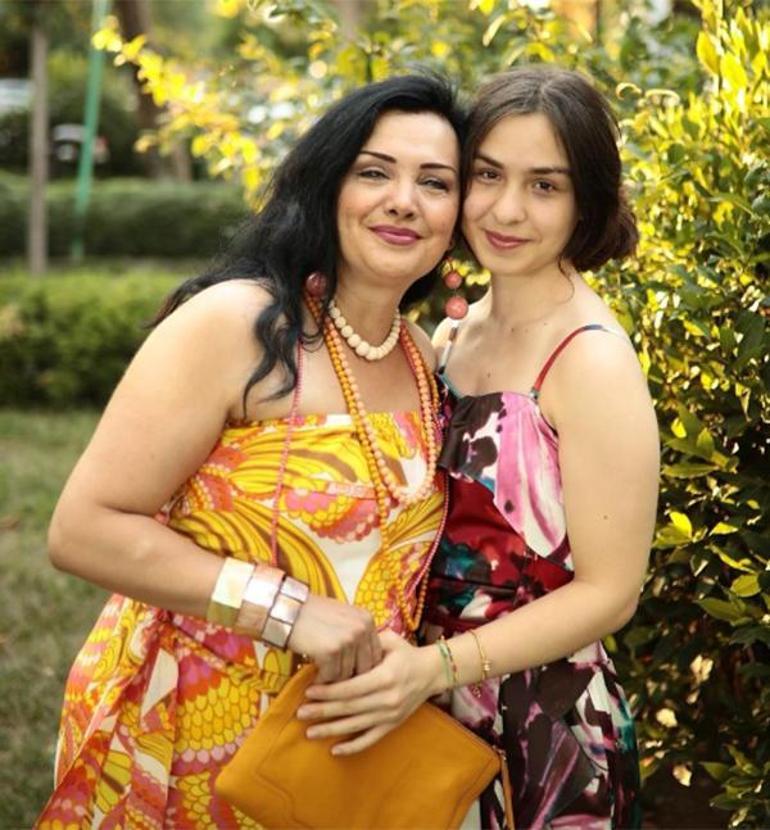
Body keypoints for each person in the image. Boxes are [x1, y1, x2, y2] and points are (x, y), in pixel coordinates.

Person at [37, 73, 465, 828]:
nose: (405, 201)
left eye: (435, 182)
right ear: (328, 185)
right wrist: (286, 611)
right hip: (188, 720)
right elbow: (82, 529)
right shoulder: (237, 324)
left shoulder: (420, 356)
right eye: (374, 173)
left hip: (336, 742)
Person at [294, 67, 659, 829]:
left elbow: (611, 592)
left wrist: (435, 668)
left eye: (545, 185)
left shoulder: (591, 358)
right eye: (487, 175)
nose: (506, 209)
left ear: (586, 201)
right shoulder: (453, 334)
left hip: (542, 725)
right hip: (414, 705)